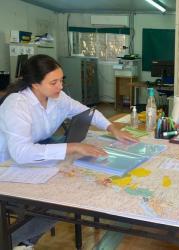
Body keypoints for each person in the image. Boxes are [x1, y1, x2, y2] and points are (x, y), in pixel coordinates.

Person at [0, 54, 137, 247]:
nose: (60, 86)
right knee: (64, 200)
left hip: (34, 160)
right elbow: (21, 153)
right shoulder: (16, 105)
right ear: (35, 85)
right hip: (8, 166)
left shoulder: (56, 97)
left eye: (61, 80)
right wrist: (72, 147)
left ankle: (23, 240)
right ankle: (12, 241)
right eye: (53, 82)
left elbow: (87, 112)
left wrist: (111, 128)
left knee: (73, 192)